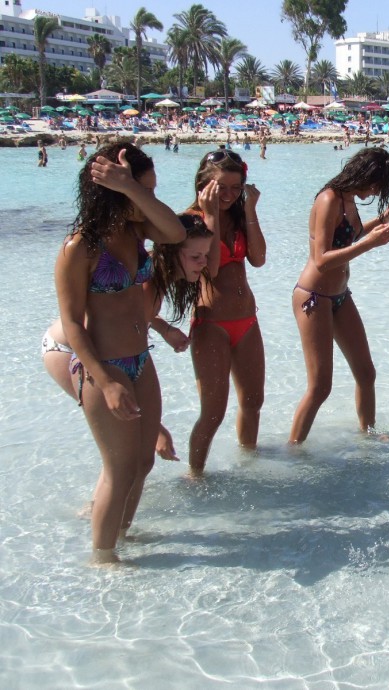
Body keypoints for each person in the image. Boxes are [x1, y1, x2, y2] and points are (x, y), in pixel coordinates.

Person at [54, 143, 186, 563]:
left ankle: (121, 535)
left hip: (140, 360)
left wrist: (133, 188)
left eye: (145, 191)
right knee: (119, 469)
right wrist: (105, 380)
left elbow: (177, 232)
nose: (143, 199)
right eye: (135, 190)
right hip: (104, 367)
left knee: (143, 463)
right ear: (108, 191)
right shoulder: (80, 248)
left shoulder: (137, 230)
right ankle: (103, 560)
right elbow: (73, 323)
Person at [290, 147, 389, 445]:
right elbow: (322, 259)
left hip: (340, 296)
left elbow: (348, 236)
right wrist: (371, 243)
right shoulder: (329, 198)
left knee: (366, 374)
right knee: (320, 387)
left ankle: (368, 438)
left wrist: (381, 220)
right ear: (364, 174)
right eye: (377, 183)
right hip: (314, 297)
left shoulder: (349, 198)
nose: (377, 190)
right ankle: (293, 450)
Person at [187, 150, 266, 476]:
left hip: (246, 319)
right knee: (213, 412)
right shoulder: (191, 220)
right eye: (223, 188)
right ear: (204, 185)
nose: (230, 195)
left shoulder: (239, 215)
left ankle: (248, 465)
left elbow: (259, 259)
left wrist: (250, 209)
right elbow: (213, 267)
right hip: (211, 323)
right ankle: (195, 475)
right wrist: (210, 217)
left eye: (237, 188)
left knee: (253, 403)